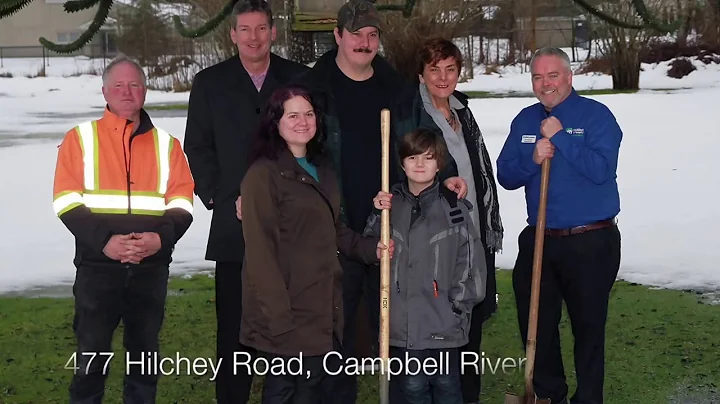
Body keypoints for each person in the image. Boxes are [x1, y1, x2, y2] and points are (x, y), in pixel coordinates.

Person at [292, 2, 466, 401]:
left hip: (392, 227)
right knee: (336, 335)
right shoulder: (312, 88)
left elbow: (425, 137)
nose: (364, 43)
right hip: (334, 227)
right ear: (337, 36)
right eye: (355, 34)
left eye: (372, 35)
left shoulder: (398, 89)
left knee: (395, 328)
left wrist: (450, 168)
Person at [182, 0, 309, 402]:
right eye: (245, 30)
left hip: (291, 231)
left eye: (261, 29)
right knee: (234, 335)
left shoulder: (300, 78)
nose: (253, 37)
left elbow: (319, 142)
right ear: (233, 34)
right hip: (234, 231)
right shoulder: (209, 83)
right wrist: (227, 198)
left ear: (273, 31)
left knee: (287, 334)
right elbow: (198, 150)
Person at [52, 54, 195, 403]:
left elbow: (182, 202)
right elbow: (66, 200)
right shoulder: (80, 139)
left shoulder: (167, 145)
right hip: (98, 268)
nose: (127, 92)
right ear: (105, 91)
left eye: (134, 85)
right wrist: (105, 243)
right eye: (118, 85)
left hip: (150, 268)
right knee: (91, 359)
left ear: (145, 91)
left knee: (144, 359)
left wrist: (159, 239)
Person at [239, 85, 393, 403]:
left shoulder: (322, 170)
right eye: (292, 115)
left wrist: (370, 248)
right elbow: (260, 253)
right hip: (284, 310)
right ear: (275, 122)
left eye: (309, 114)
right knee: (284, 392)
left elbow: (333, 229)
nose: (303, 121)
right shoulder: (263, 175)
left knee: (312, 392)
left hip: (321, 305)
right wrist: (280, 320)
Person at [496, 47, 623, 404]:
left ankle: (588, 399)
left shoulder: (596, 116)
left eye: (553, 75)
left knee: (588, 327)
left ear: (569, 77)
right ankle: (549, 394)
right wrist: (533, 159)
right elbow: (505, 175)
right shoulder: (525, 120)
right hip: (539, 239)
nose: (545, 84)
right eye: (538, 76)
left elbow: (602, 170)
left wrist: (561, 138)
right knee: (536, 324)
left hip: (590, 239)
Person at [393, 37, 503, 404]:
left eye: (450, 69)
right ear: (421, 74)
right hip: (434, 233)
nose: (443, 77)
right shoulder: (413, 112)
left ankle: (465, 396)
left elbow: (476, 168)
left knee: (469, 319)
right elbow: (411, 164)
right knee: (433, 325)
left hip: (470, 229)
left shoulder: (461, 111)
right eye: (434, 69)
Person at [364, 128, 487, 404]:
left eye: (428, 158)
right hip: (402, 325)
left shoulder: (454, 209)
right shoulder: (388, 207)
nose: (420, 164)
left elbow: (471, 265)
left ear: (439, 163)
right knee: (411, 390)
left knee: (447, 390)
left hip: (444, 323)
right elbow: (370, 252)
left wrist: (456, 306)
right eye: (413, 157)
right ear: (401, 163)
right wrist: (375, 213)